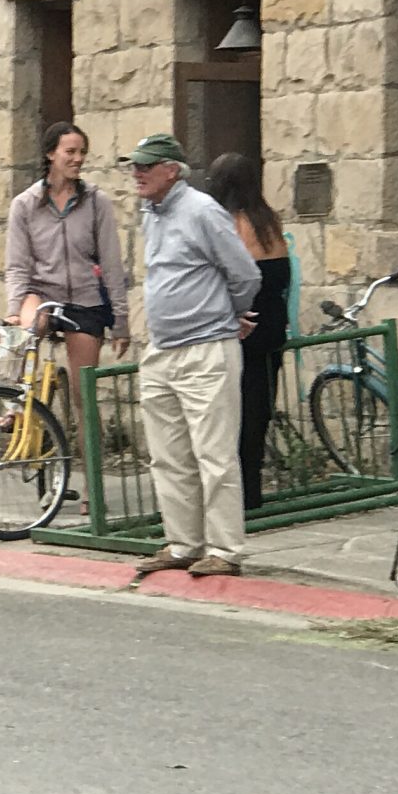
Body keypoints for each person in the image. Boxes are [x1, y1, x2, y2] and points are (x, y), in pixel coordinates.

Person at [122, 133, 256, 582]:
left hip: (204, 347)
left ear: (172, 170)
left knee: (213, 454)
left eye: (146, 165)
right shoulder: (151, 212)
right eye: (134, 166)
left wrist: (228, 316)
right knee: (168, 453)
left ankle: (224, 548)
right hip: (163, 347)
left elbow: (244, 273)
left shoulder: (201, 210)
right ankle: (184, 542)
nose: (137, 173)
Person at [2, 121, 128, 410]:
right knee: (31, 326)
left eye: (82, 152)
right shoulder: (25, 204)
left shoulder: (97, 202)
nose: (78, 159)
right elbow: (17, 265)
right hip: (42, 292)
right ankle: (16, 406)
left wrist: (120, 322)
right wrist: (13, 310)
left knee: (83, 398)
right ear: (50, 154)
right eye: (70, 151)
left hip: (84, 299)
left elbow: (111, 265)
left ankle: (89, 455)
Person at [208, 152, 290, 514]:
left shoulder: (230, 225)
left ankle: (236, 496)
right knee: (259, 412)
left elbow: (230, 276)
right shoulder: (268, 222)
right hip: (272, 326)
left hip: (241, 327)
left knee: (232, 415)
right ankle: (252, 490)